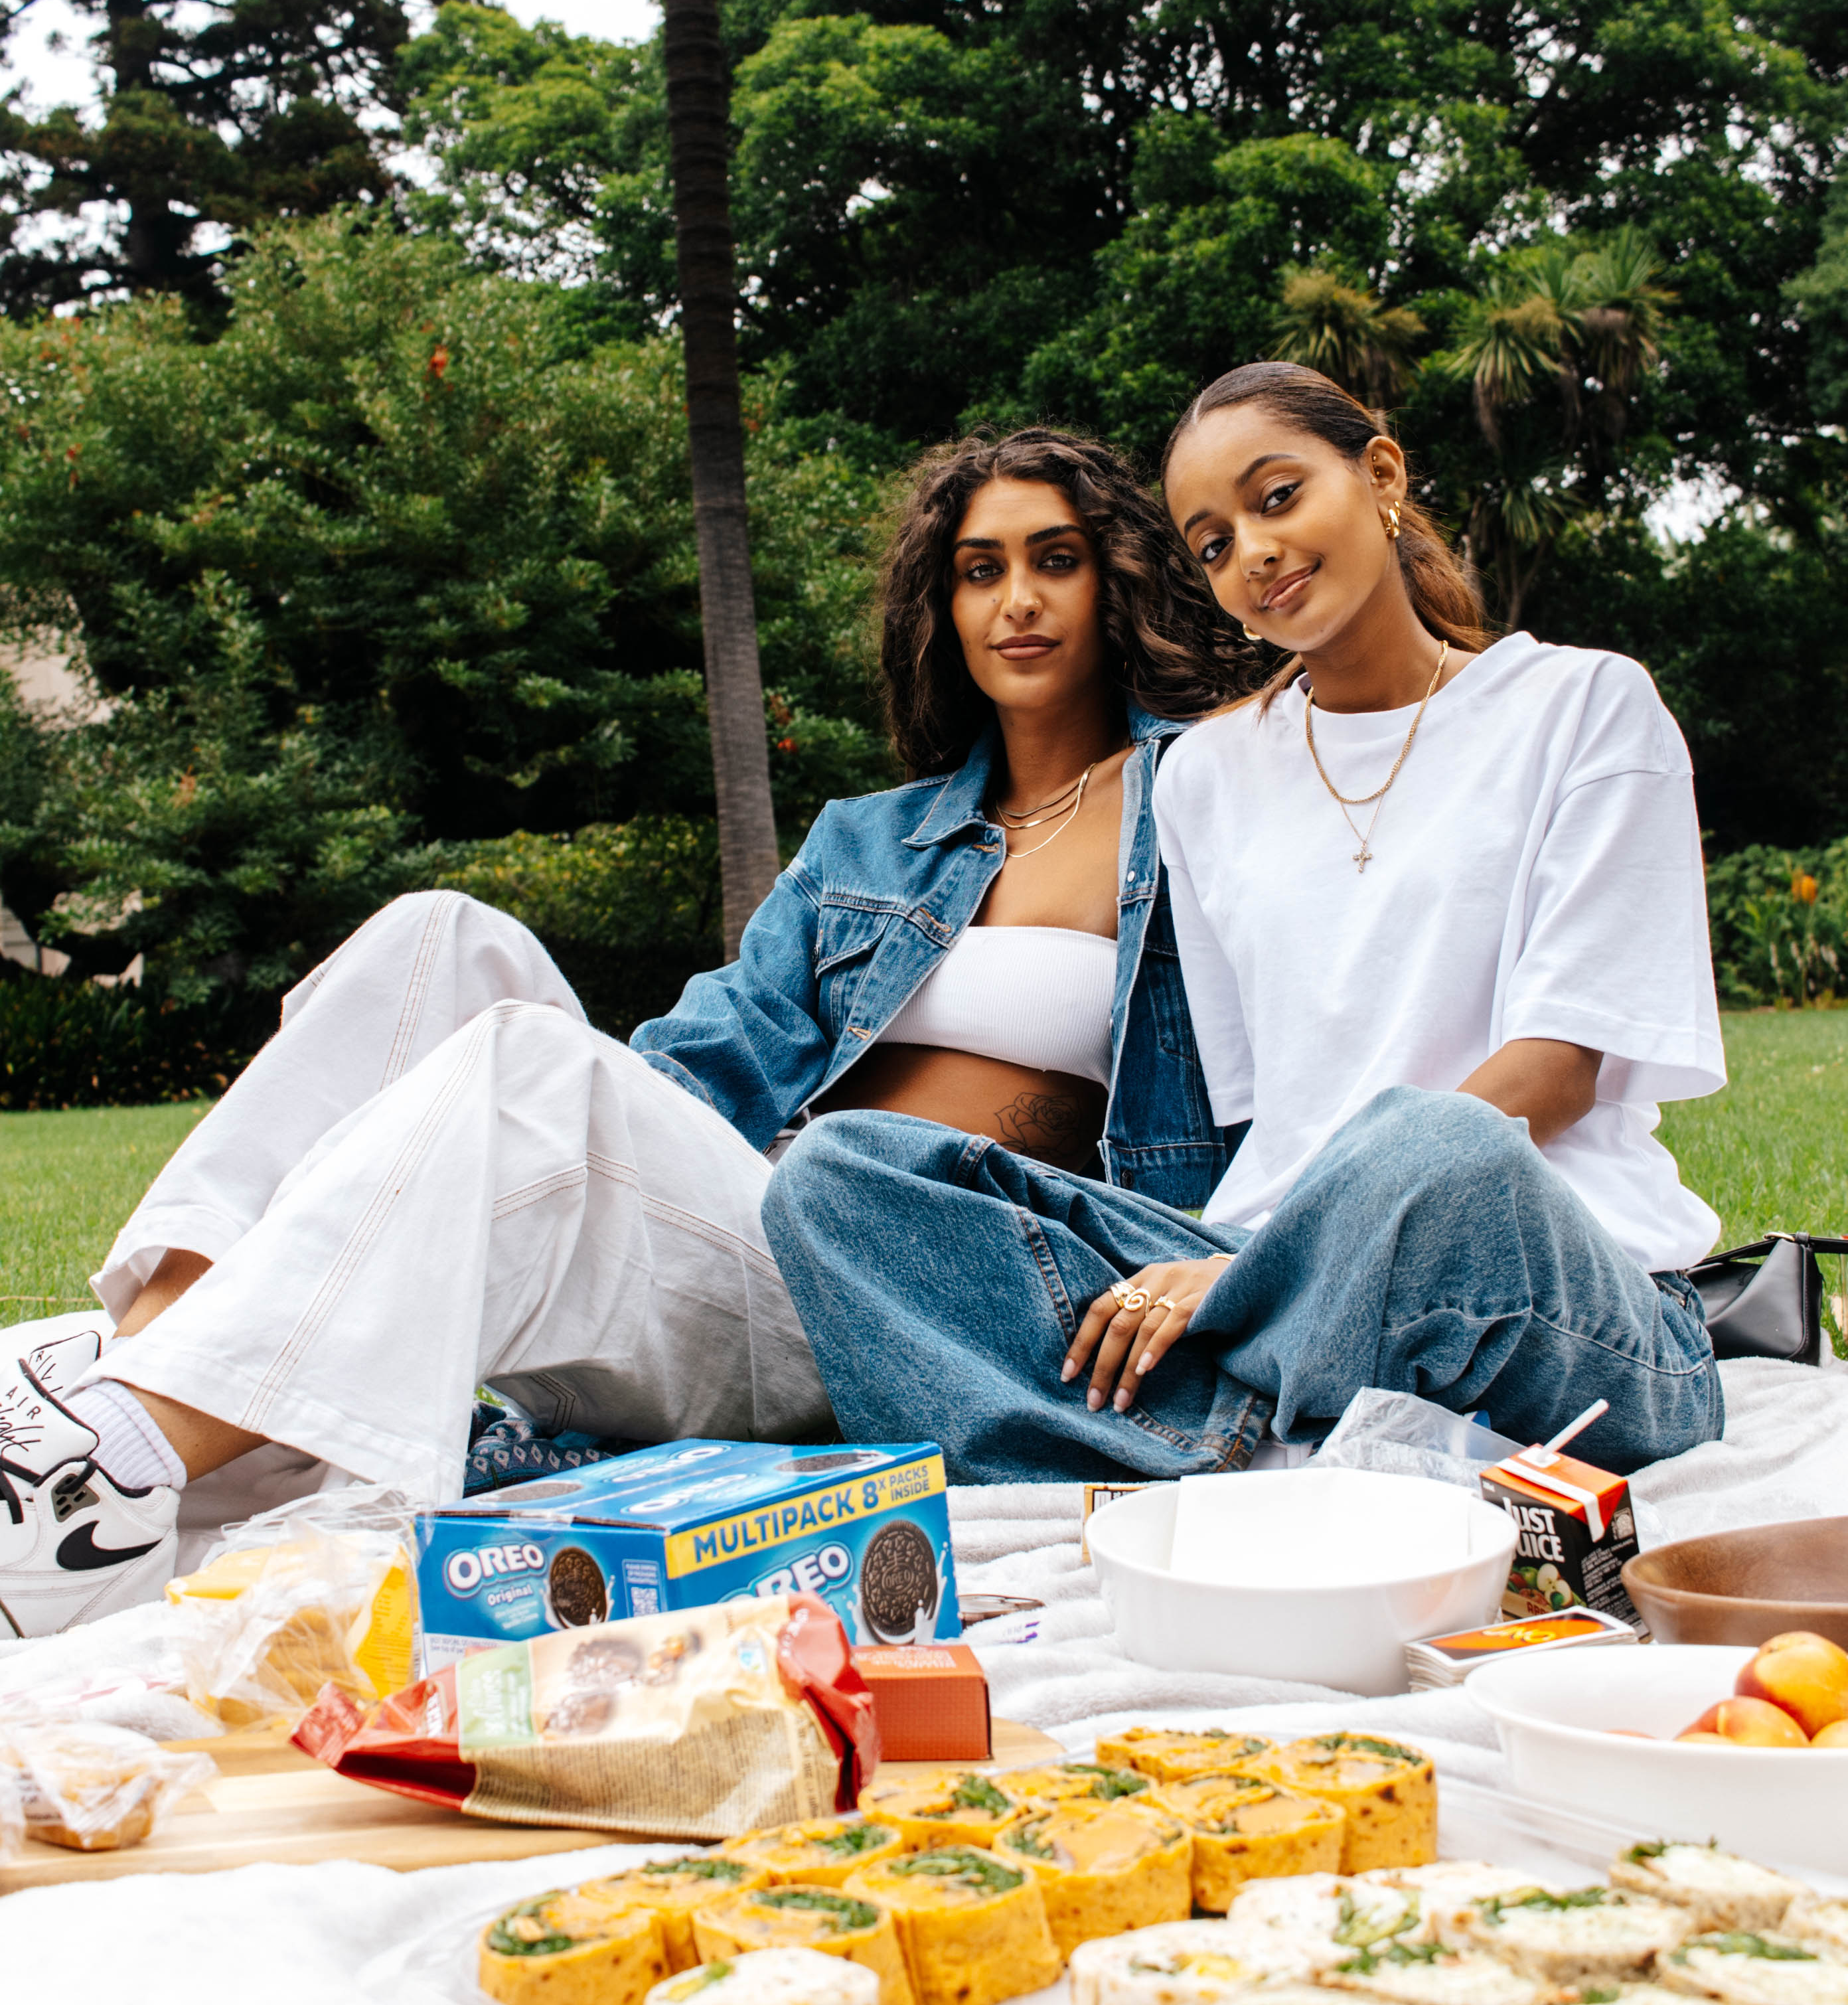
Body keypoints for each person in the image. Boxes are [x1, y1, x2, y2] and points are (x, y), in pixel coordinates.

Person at [0, 430, 1248, 1635]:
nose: (1016, 600)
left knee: (531, 1074)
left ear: (1119, 580)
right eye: (981, 569)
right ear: (943, 605)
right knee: (439, 938)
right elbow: (709, 1058)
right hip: (760, 1231)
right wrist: (566, 1132)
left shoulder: (1199, 798)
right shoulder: (873, 838)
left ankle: (113, 1462)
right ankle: (125, 1391)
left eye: (1054, 559)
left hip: (920, 1297)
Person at [761, 362, 1727, 1484]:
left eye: (1277, 499)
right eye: (1213, 544)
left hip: (1558, 1282)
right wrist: (1207, 1263)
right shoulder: (1207, 777)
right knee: (838, 1174)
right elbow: (1266, 1121)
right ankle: (1265, 1433)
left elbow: (1555, 1078)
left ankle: (1175, 1437)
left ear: (1381, 474)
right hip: (1263, 1264)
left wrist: (1254, 1268)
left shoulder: (1585, 707)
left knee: (1434, 1140)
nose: (1254, 554)